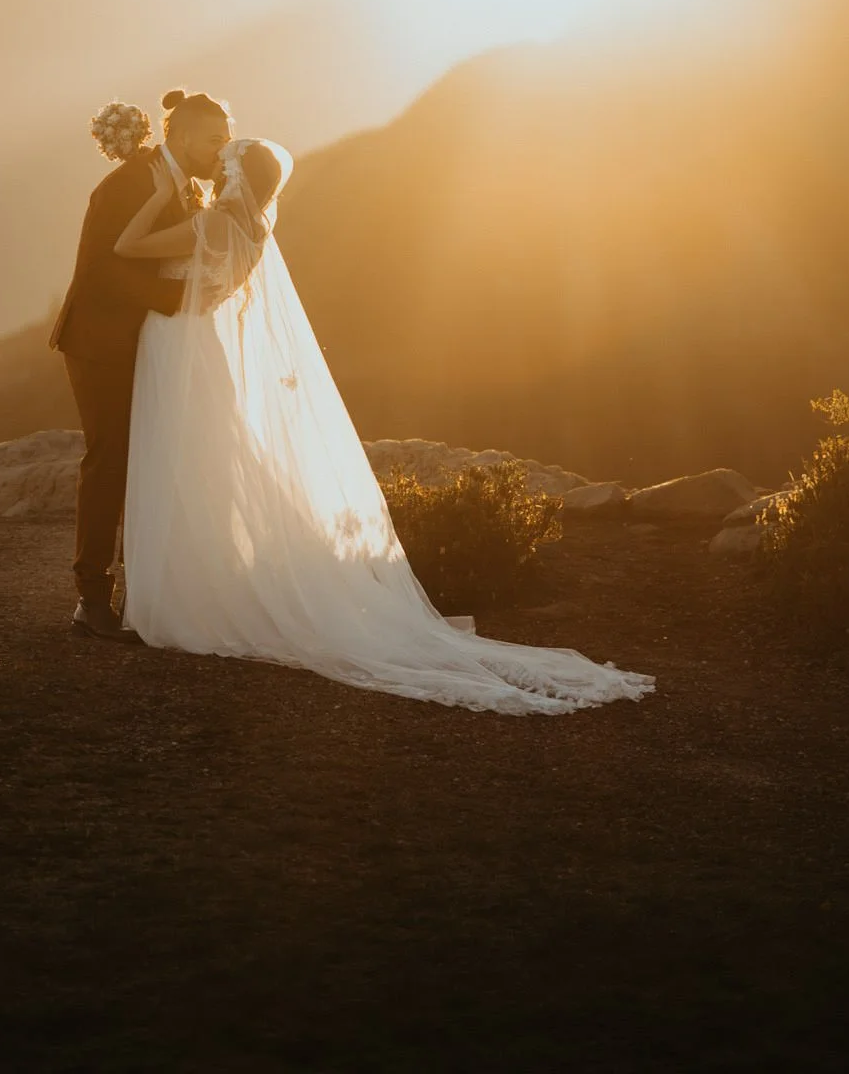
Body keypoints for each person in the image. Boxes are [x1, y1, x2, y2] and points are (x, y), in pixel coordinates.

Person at [113, 130, 655, 714]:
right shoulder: (254, 230)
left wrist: (163, 191)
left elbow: (128, 244)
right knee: (206, 467)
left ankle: (184, 593)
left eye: (225, 166)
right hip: (200, 351)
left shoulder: (215, 225)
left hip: (177, 347)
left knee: (186, 466)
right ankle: (201, 583)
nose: (217, 172)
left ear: (239, 178)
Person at [49, 88, 232, 640]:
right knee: (111, 459)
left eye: (226, 142)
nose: (220, 152)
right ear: (178, 135)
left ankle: (146, 590)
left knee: (154, 461)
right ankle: (91, 598)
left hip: (154, 342)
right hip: (102, 342)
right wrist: (179, 301)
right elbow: (102, 272)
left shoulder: (189, 188)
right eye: (213, 141)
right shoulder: (127, 183)